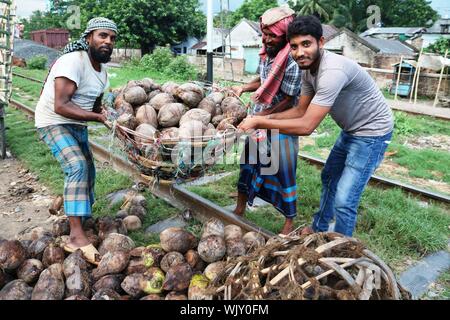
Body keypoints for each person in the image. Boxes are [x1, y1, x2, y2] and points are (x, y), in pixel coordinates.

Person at [238, 15, 394, 237]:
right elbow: (299, 111)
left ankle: (341, 251)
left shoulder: (332, 72)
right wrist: (262, 117)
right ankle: (319, 228)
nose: (300, 52)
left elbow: (306, 125)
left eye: (306, 44)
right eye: (294, 46)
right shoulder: (306, 69)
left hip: (372, 134)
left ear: (321, 42)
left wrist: (259, 122)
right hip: (351, 130)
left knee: (344, 199)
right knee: (329, 177)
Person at [34, 17, 118, 264]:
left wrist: (114, 119)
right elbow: (61, 105)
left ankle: (77, 213)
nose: (108, 42)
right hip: (53, 121)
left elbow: (97, 106)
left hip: (76, 123)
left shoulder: (102, 73)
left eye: (112, 38)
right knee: (77, 167)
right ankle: (75, 236)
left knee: (89, 171)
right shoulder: (73, 61)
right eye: (103, 36)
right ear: (89, 37)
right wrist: (97, 117)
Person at [230, 6, 302, 235]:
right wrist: (243, 87)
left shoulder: (291, 60)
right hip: (258, 120)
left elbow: (290, 99)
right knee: (248, 163)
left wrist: (263, 116)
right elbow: (263, 80)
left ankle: (289, 222)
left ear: (285, 37)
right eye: (265, 34)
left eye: (273, 35)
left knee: (283, 170)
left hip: (282, 121)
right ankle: (239, 208)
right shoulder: (267, 53)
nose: (267, 39)